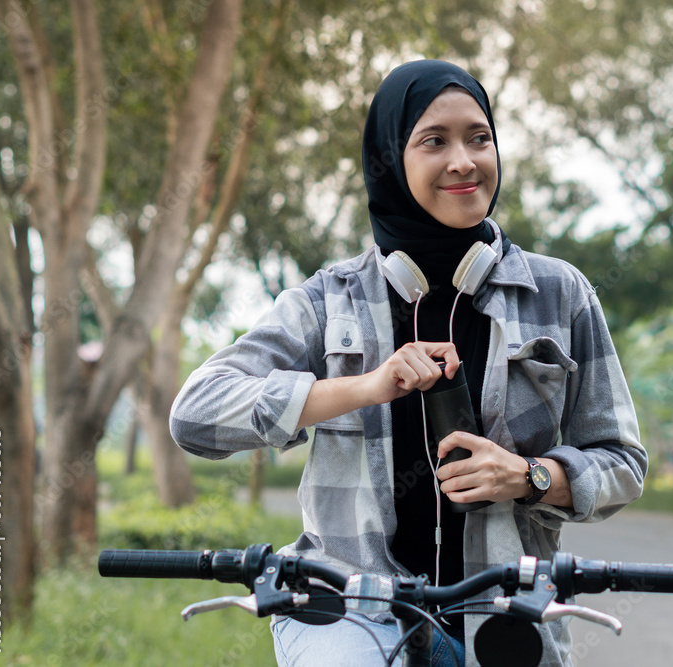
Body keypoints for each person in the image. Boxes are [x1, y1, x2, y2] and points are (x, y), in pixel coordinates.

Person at [170, 59, 646, 667]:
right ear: (390, 160)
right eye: (434, 141)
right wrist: (364, 387)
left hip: (505, 618)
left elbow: (622, 462)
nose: (463, 161)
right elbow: (195, 414)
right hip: (347, 611)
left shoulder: (561, 293)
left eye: (479, 138)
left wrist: (529, 476)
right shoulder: (328, 298)